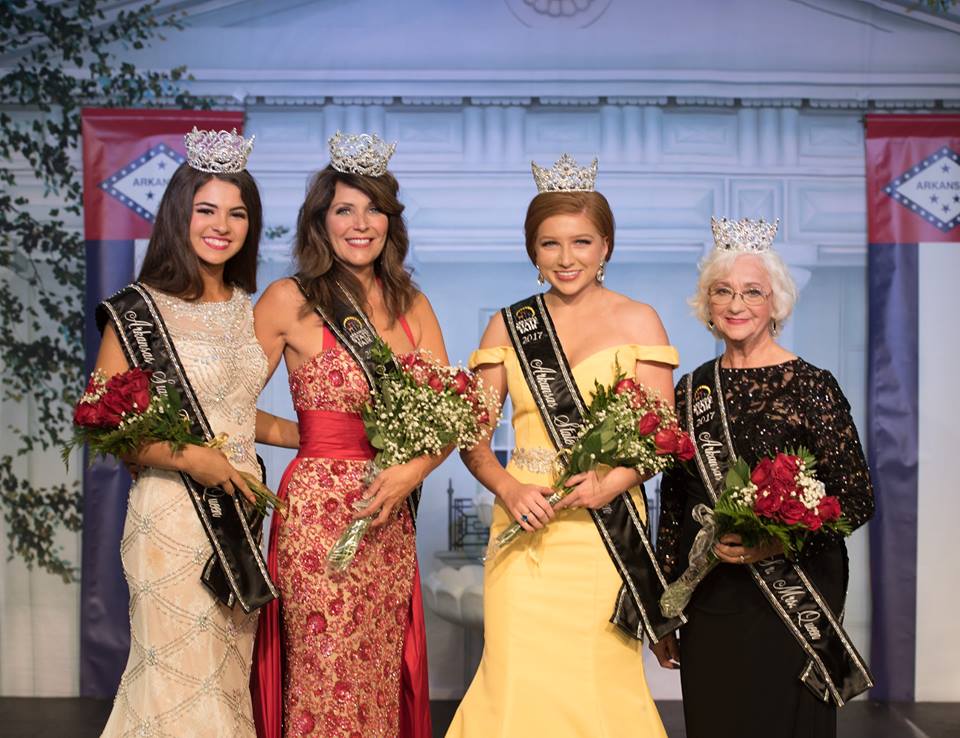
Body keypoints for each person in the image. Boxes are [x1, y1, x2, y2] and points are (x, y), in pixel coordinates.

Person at [447, 155, 676, 738]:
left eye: (581, 242)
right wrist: (508, 485)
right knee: (516, 676)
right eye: (550, 244)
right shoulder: (508, 325)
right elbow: (471, 438)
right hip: (525, 530)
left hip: (604, 535)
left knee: (600, 679)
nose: (566, 258)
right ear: (533, 250)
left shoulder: (640, 320)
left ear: (606, 246)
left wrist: (613, 482)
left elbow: (662, 437)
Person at [94, 129, 299, 738]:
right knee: (175, 678)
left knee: (225, 677)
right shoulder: (138, 309)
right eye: (207, 209)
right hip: (173, 513)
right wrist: (195, 462)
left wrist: (314, 437)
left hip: (238, 512)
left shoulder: (246, 304)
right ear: (180, 215)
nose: (222, 225)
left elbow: (234, 412)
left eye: (238, 213)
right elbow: (107, 424)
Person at [252, 132, 446, 738]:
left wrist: (413, 470)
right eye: (344, 209)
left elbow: (451, 416)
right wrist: (310, 438)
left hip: (389, 511)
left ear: (390, 220)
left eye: (374, 208)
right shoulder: (290, 298)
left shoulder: (412, 304)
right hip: (318, 513)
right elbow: (224, 408)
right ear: (321, 221)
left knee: (378, 669)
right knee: (324, 667)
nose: (361, 223)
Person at [653, 217, 875, 738]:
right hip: (711, 597)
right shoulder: (690, 391)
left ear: (775, 302)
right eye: (722, 291)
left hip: (792, 597)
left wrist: (774, 543)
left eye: (752, 291)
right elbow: (675, 496)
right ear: (706, 304)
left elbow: (858, 498)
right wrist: (664, 609)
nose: (736, 304)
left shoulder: (814, 386)